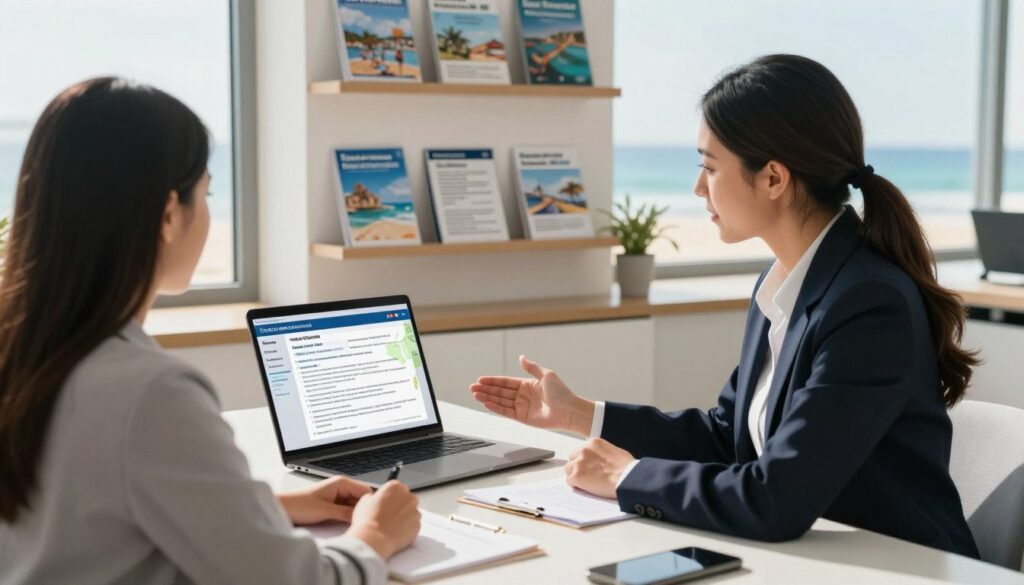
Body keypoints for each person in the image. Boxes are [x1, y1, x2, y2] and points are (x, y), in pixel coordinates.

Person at [470, 54, 981, 558]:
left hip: (899, 568)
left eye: (709, 167)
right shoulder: (782, 283)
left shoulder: (869, 303)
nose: (697, 187)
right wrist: (579, 414)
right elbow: (725, 437)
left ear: (774, 179)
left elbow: (776, 496)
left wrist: (626, 476)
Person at [0, 78, 420, 584]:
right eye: (207, 193)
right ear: (168, 216)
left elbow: (84, 513)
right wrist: (377, 535)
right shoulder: (151, 393)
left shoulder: (26, 353)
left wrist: (270, 506)